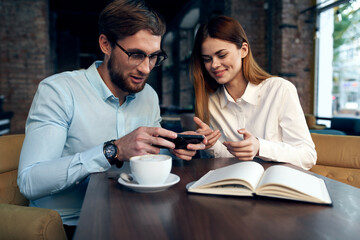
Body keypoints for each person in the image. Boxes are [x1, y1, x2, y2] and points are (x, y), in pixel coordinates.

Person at [17, 0, 205, 238]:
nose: (146, 68)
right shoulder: (58, 91)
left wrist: (173, 147)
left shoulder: (148, 95)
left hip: (137, 215)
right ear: (105, 44)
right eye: (136, 55)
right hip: (71, 225)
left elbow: (149, 156)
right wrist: (112, 151)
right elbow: (29, 181)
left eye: (154, 57)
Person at [190, 15, 316, 170]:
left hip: (277, 186)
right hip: (237, 186)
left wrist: (260, 147)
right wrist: (211, 144)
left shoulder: (280, 89)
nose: (214, 65)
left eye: (222, 55)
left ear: (243, 50)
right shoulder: (211, 103)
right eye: (207, 59)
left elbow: (308, 156)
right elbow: (228, 159)